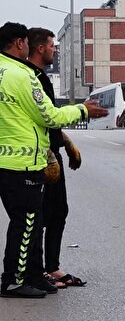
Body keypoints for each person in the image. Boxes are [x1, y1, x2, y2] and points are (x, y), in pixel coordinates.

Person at [0, 22, 106, 298]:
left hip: (8, 161)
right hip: (23, 162)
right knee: (26, 225)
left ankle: (34, 275)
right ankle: (14, 279)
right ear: (20, 44)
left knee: (32, 223)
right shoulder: (22, 76)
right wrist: (83, 110)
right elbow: (49, 116)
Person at [25, 27, 86, 289]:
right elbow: (39, 117)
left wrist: (66, 142)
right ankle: (40, 271)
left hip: (52, 149)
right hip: (42, 155)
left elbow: (49, 117)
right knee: (40, 215)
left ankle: (52, 266)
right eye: (52, 45)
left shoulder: (41, 77)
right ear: (40, 48)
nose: (55, 49)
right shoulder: (32, 78)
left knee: (57, 211)